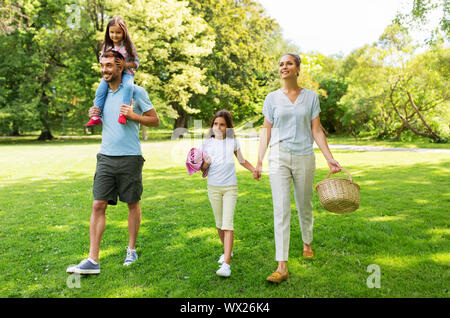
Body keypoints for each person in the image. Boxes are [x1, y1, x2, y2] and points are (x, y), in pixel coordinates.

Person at [67, 49, 160, 275]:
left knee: (132, 203)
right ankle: (93, 259)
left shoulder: (136, 92)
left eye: (109, 66)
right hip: (106, 157)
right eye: (102, 65)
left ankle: (131, 249)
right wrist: (94, 113)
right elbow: (105, 120)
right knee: (98, 204)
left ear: (121, 67)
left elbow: (155, 121)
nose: (104, 70)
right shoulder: (102, 94)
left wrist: (133, 115)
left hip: (130, 157)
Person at [254, 53, 342, 283]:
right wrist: (259, 159)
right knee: (281, 208)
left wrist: (329, 158)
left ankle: (307, 242)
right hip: (279, 156)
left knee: (304, 203)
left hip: (304, 156)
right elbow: (266, 131)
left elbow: (317, 130)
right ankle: (281, 266)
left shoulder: (311, 97)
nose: (284, 67)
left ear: (297, 69)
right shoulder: (271, 98)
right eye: (281, 64)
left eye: (289, 63)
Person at [200, 110, 256, 277]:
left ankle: (226, 265)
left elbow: (242, 160)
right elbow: (201, 168)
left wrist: (254, 170)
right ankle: (228, 251)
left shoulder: (233, 142)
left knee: (227, 224)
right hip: (213, 187)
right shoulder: (207, 143)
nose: (218, 127)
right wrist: (205, 164)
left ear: (228, 127)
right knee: (219, 224)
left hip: (230, 187)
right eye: (216, 124)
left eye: (222, 124)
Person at [86, 16, 140, 127]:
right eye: (112, 32)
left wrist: (125, 64)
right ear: (108, 32)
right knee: (100, 89)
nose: (114, 35)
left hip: (126, 74)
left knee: (128, 87)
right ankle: (96, 115)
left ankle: (123, 113)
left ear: (124, 33)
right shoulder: (106, 46)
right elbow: (102, 60)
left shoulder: (128, 47)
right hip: (111, 75)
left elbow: (136, 64)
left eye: (118, 32)